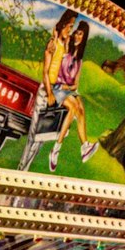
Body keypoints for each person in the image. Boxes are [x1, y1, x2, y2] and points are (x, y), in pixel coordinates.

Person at [39, 10, 98, 171]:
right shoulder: (66, 47)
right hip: (57, 87)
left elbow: (75, 84)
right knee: (73, 107)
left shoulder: (79, 61)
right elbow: (58, 38)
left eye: (81, 35)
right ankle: (55, 150)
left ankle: (85, 147)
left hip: (66, 89)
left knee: (81, 108)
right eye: (76, 33)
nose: (77, 36)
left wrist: (69, 87)